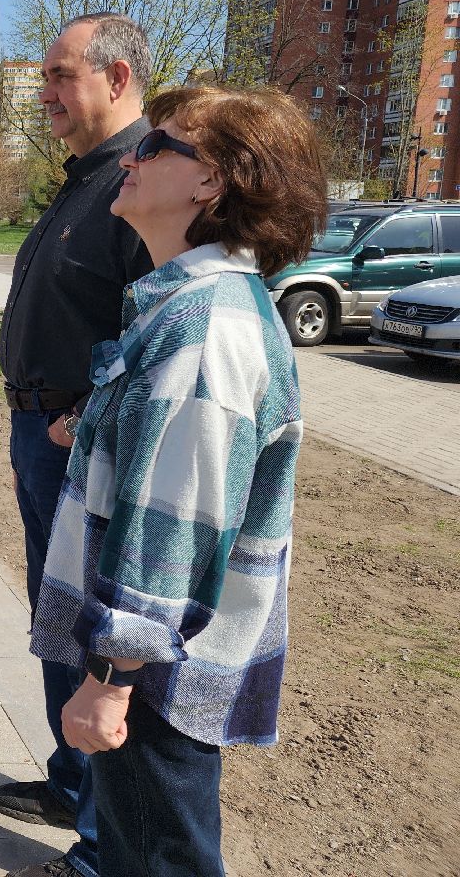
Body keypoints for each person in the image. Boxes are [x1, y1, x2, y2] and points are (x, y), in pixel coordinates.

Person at [30, 85, 327, 876]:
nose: (131, 156)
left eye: (156, 146)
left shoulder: (207, 328)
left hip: (160, 673)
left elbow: (175, 524)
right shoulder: (187, 306)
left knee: (159, 860)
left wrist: (109, 677)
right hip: (161, 661)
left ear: (213, 180)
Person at [0, 13, 153, 877]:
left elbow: (156, 321)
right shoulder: (83, 179)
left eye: (59, 75)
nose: (45, 92)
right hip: (39, 435)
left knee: (95, 632)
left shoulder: (143, 179)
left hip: (79, 444)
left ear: (116, 76)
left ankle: (98, 843)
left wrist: (89, 411)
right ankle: (70, 780)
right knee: (56, 618)